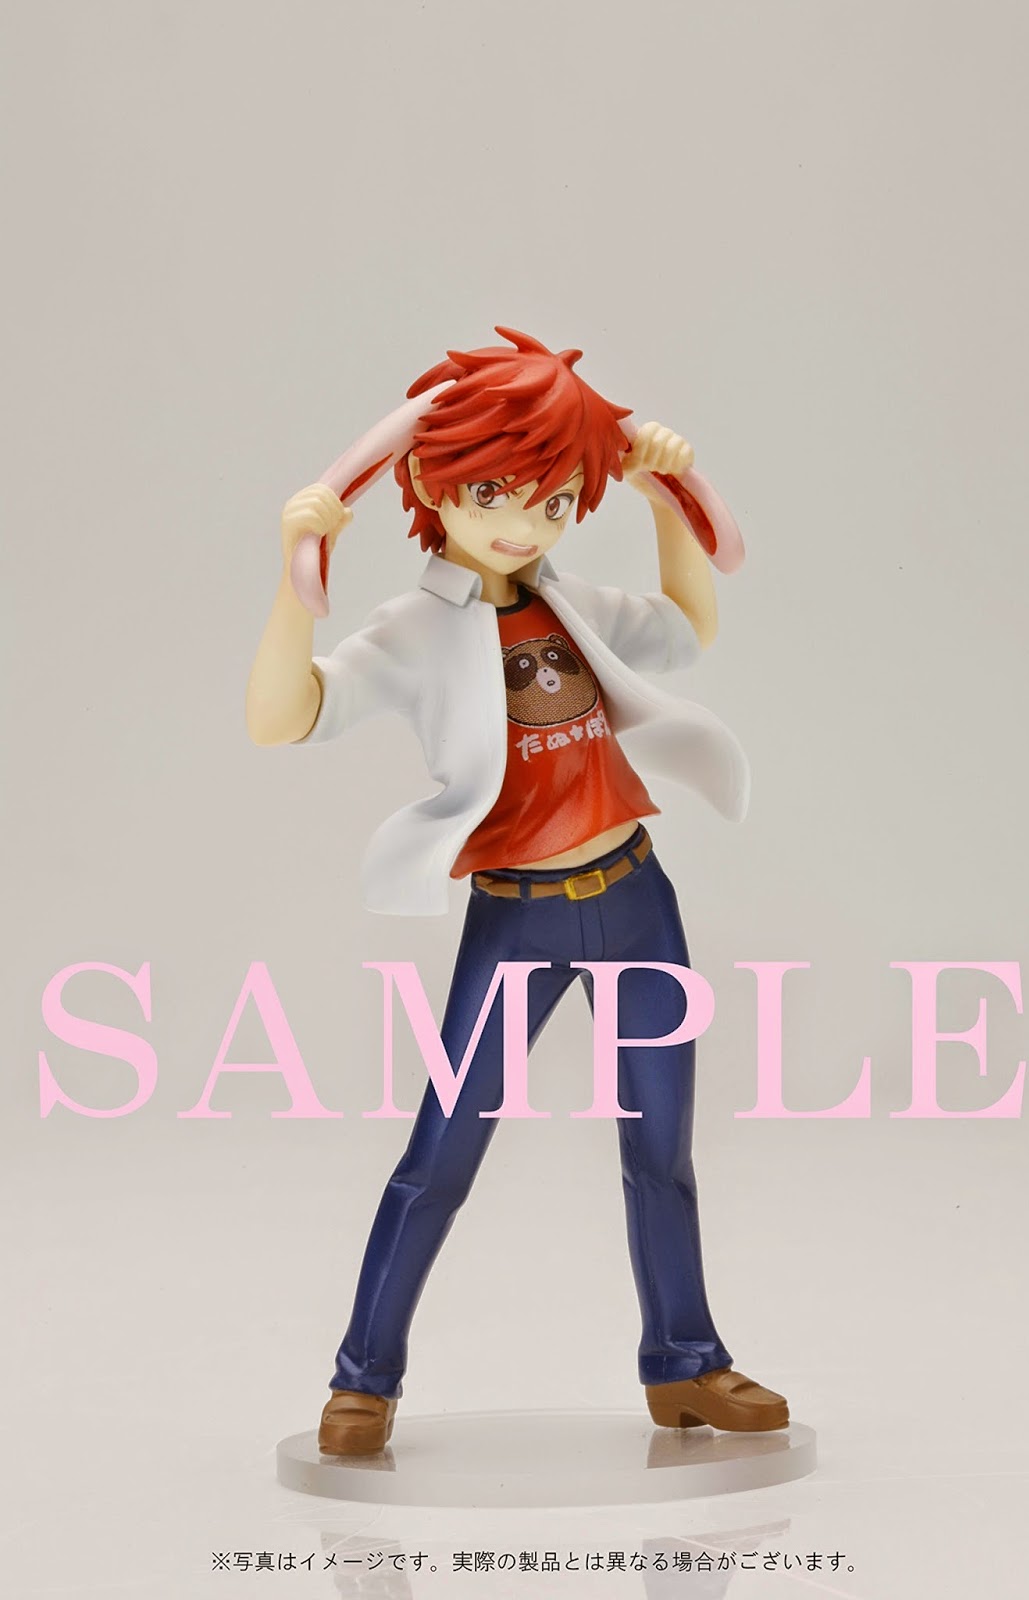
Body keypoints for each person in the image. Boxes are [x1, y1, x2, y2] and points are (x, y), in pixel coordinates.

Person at [246, 327, 788, 1454]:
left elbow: (689, 627)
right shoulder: (415, 630)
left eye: (549, 500)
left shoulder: (571, 599)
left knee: (661, 1148)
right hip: (518, 919)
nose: (519, 522)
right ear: (430, 481)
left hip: (637, 896)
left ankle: (686, 1362)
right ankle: (363, 1378)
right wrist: (297, 576)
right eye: (490, 492)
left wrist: (662, 498)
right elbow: (285, 717)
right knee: (442, 1154)